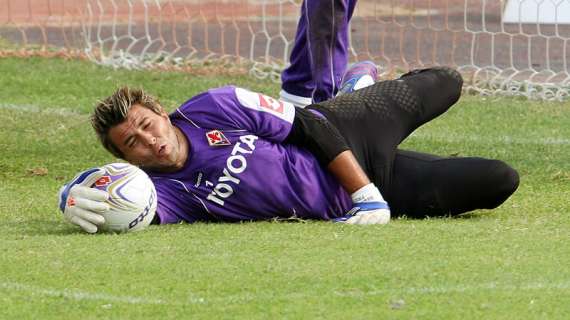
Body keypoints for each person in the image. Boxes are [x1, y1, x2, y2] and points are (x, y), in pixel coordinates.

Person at [57, 2, 519, 234]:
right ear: (128, 159)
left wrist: (367, 198)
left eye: (146, 124)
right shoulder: (164, 192)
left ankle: (354, 87)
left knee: (446, 81)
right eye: (132, 143)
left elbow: (310, 126)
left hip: (342, 128)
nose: (149, 140)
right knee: (499, 180)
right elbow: (119, 204)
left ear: (160, 112)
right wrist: (70, 196)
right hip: (359, 193)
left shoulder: (215, 105)